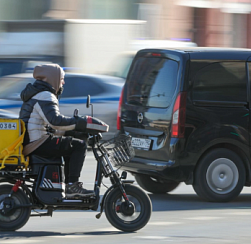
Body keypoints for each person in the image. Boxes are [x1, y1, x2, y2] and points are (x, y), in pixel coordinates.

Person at [19, 64, 94, 198]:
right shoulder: (45, 95)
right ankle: (72, 186)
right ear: (53, 78)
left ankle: (68, 184)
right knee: (79, 145)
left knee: (70, 140)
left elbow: (49, 125)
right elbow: (55, 121)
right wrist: (79, 122)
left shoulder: (38, 93)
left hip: (33, 140)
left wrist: (70, 131)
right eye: (61, 79)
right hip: (37, 143)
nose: (63, 82)